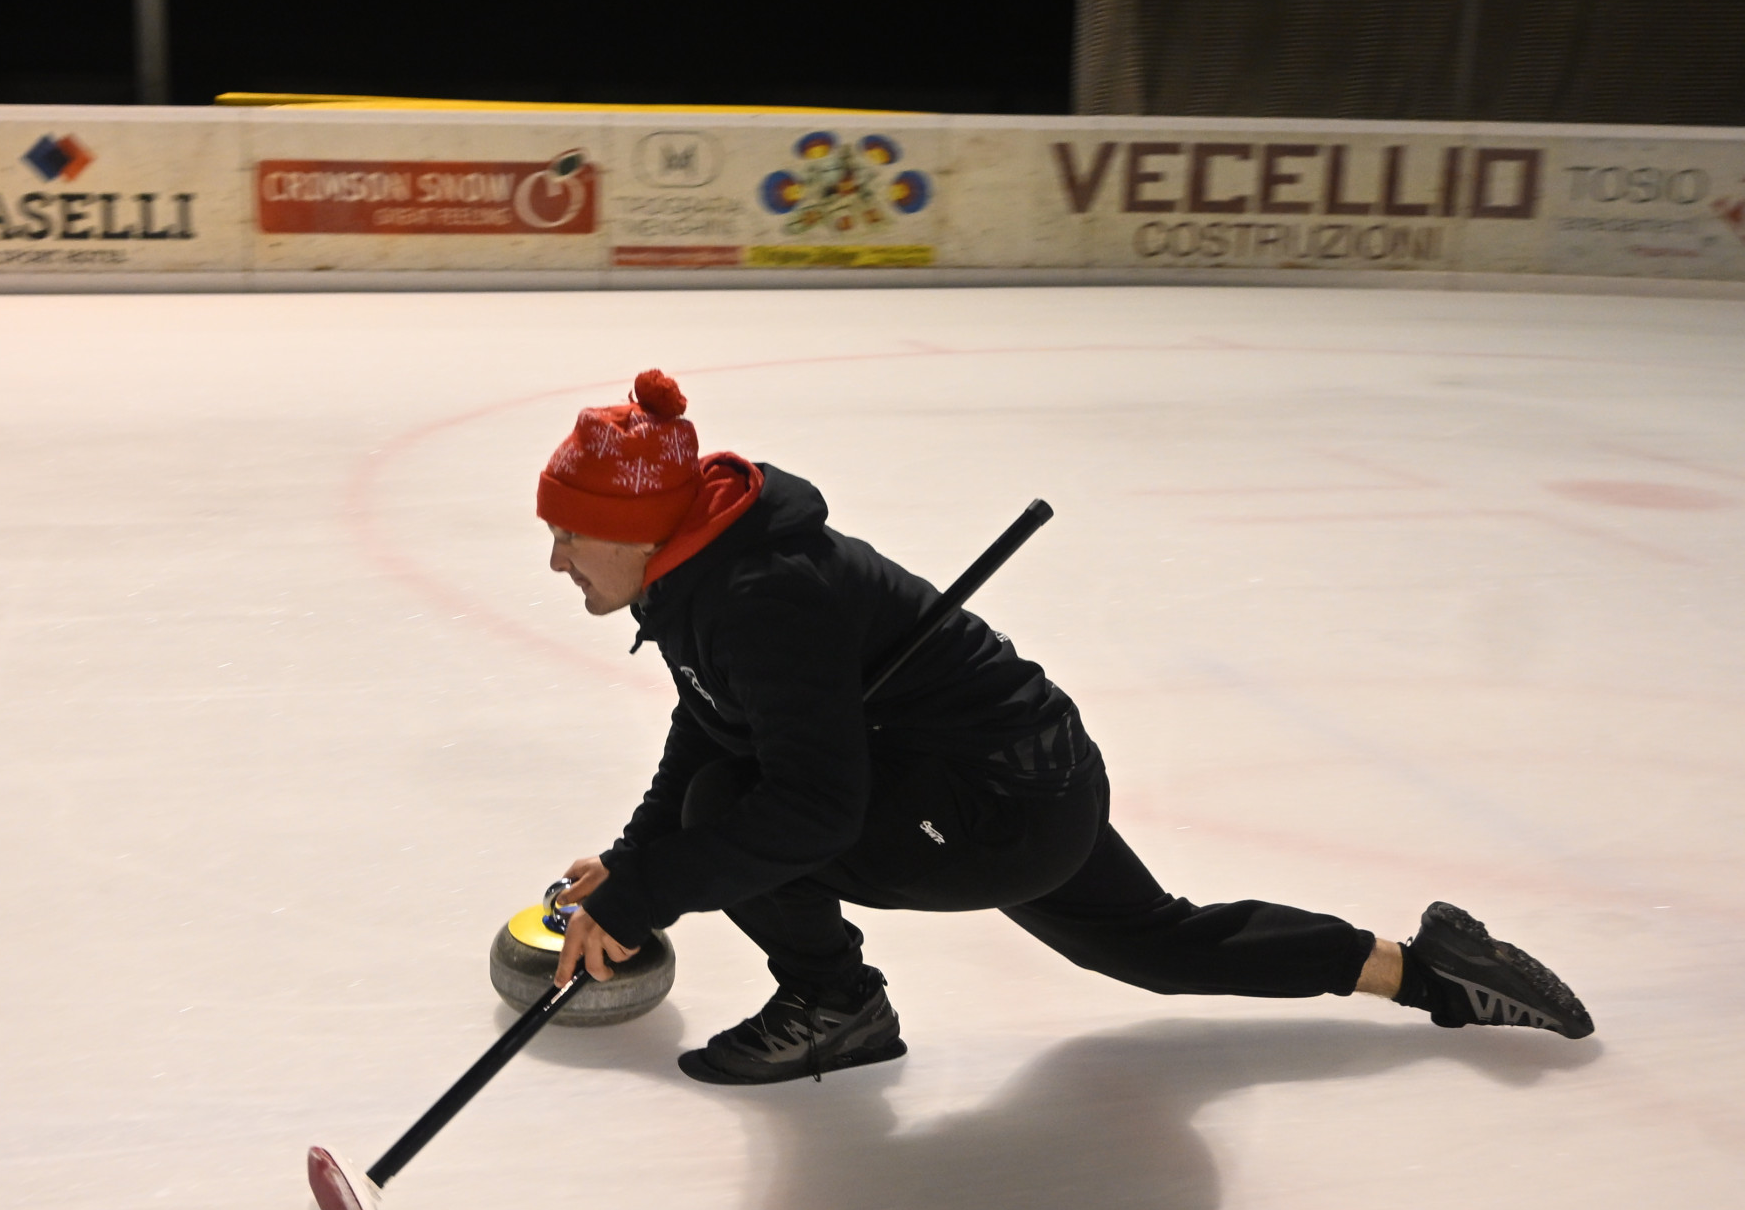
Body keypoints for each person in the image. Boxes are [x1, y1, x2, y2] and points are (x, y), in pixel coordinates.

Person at [537, 370, 1593, 1086]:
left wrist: (651, 885)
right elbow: (714, 717)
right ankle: (1430, 969)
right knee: (1154, 944)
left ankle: (834, 1001)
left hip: (998, 802)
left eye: (571, 534)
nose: (557, 560)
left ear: (636, 530)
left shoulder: (760, 595)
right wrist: (634, 861)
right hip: (1018, 774)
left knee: (735, 810)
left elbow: (809, 806)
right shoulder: (705, 566)